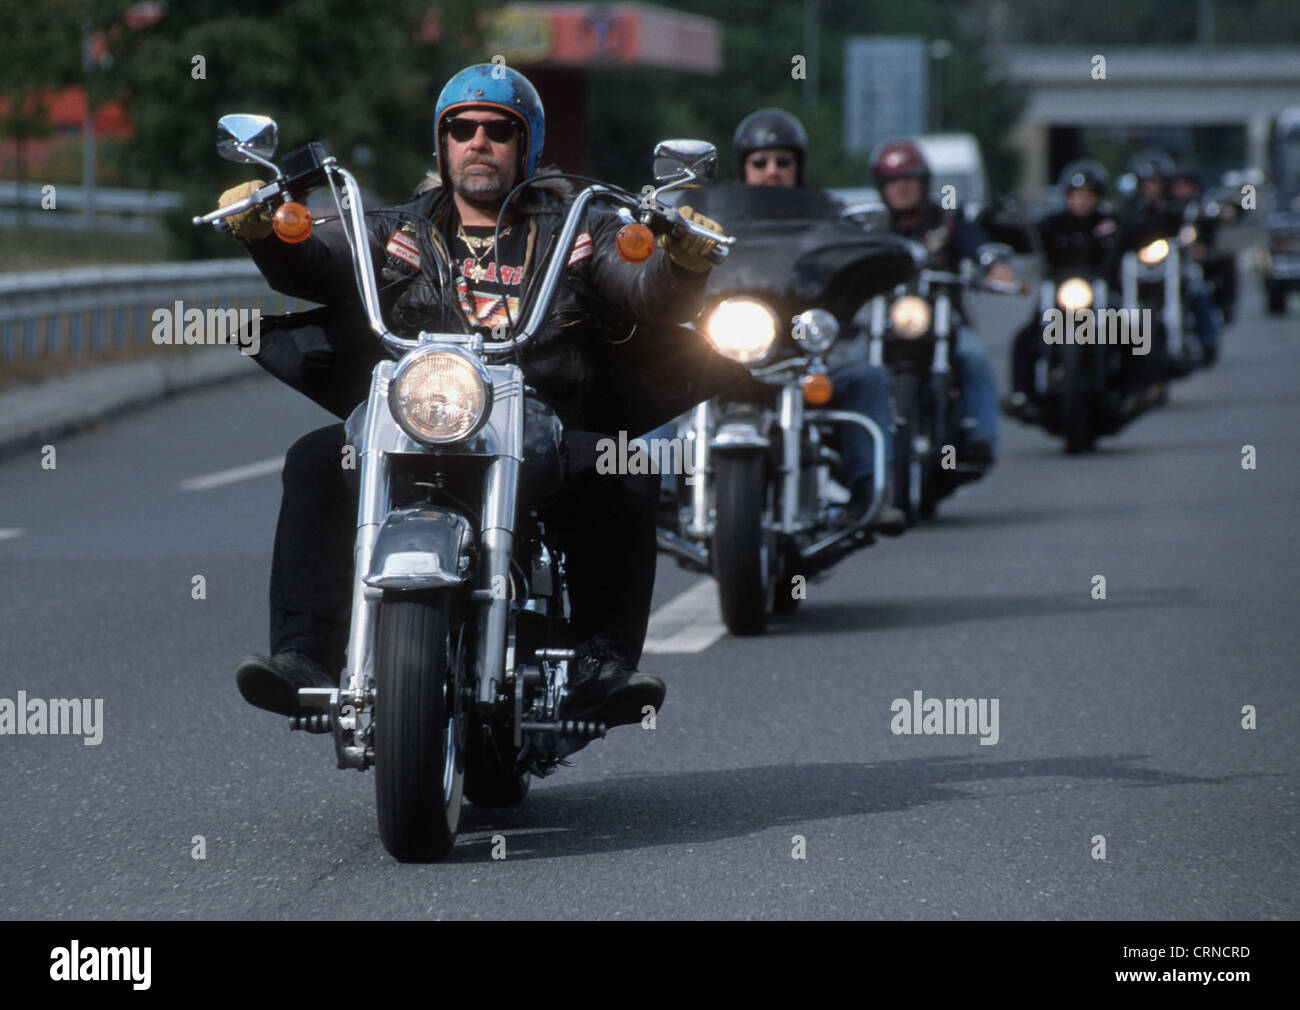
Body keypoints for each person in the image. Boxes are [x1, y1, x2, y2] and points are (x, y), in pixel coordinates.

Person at [218, 64, 744, 728]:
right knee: (317, 459)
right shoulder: (397, 231)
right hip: (416, 419)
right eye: (461, 128)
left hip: (541, 425)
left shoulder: (579, 229)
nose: (479, 141)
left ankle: (601, 662)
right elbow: (320, 261)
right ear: (442, 144)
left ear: (526, 144)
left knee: (624, 468)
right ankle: (304, 658)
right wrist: (267, 235)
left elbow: (641, 287)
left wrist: (682, 263)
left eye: (499, 130)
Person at [730, 108, 906, 532]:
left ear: (798, 166)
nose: (772, 171)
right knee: (658, 378)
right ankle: (653, 486)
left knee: (866, 378)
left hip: (802, 353)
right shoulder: (715, 219)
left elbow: (863, 248)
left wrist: (871, 256)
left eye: (782, 161)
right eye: (760, 162)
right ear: (744, 167)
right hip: (724, 351)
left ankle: (869, 493)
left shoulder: (827, 215)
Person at [870, 138, 1008, 466]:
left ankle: (980, 436)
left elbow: (977, 244)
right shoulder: (873, 229)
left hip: (946, 322)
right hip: (887, 324)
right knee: (859, 367)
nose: (901, 187)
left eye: (909, 179)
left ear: (924, 182)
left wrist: (994, 265)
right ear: (881, 187)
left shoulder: (947, 221)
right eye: (893, 181)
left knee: (973, 358)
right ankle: (860, 450)